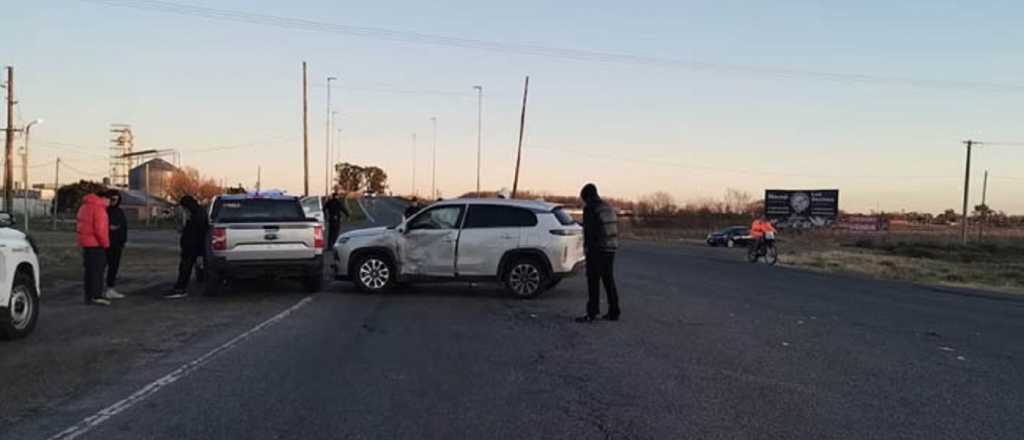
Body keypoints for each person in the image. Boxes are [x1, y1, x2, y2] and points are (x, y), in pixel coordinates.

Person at [576, 183, 620, 323]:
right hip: (611, 248)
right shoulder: (608, 207)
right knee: (608, 279)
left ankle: (592, 313)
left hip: (597, 249)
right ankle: (614, 311)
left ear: (587, 197)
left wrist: (587, 249)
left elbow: (590, 231)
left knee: (593, 281)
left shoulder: (590, 208)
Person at [166, 195, 208, 299]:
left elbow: (199, 233)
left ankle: (180, 289)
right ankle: (180, 288)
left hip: (193, 247)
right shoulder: (197, 213)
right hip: (191, 247)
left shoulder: (197, 215)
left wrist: (199, 252)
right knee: (185, 268)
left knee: (185, 269)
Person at [77, 191, 111, 306]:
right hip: (96, 244)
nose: (109, 203)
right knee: (98, 271)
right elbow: (100, 229)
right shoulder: (99, 209)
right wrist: (106, 244)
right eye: (109, 200)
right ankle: (97, 295)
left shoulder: (84, 207)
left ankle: (89, 296)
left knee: (89, 271)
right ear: (104, 198)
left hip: (86, 243)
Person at [103, 190, 127, 300]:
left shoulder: (120, 212)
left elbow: (124, 227)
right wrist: (109, 228)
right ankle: (97, 289)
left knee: (114, 267)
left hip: (117, 244)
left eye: (116, 199)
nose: (114, 201)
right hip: (105, 243)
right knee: (101, 267)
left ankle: (110, 289)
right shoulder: (103, 211)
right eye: (112, 199)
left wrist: (123, 241)